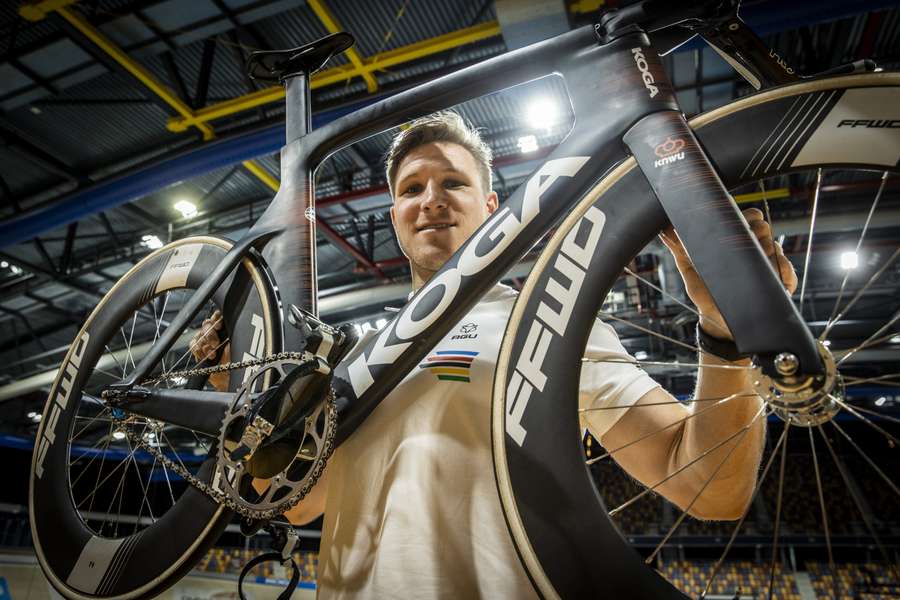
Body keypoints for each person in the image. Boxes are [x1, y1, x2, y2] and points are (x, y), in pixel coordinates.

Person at [192, 111, 796, 598]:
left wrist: (723, 337)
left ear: (490, 210)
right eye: (411, 189)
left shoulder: (547, 315)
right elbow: (301, 505)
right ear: (396, 218)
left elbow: (709, 489)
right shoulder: (355, 359)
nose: (431, 199)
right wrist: (233, 393)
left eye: (453, 183)